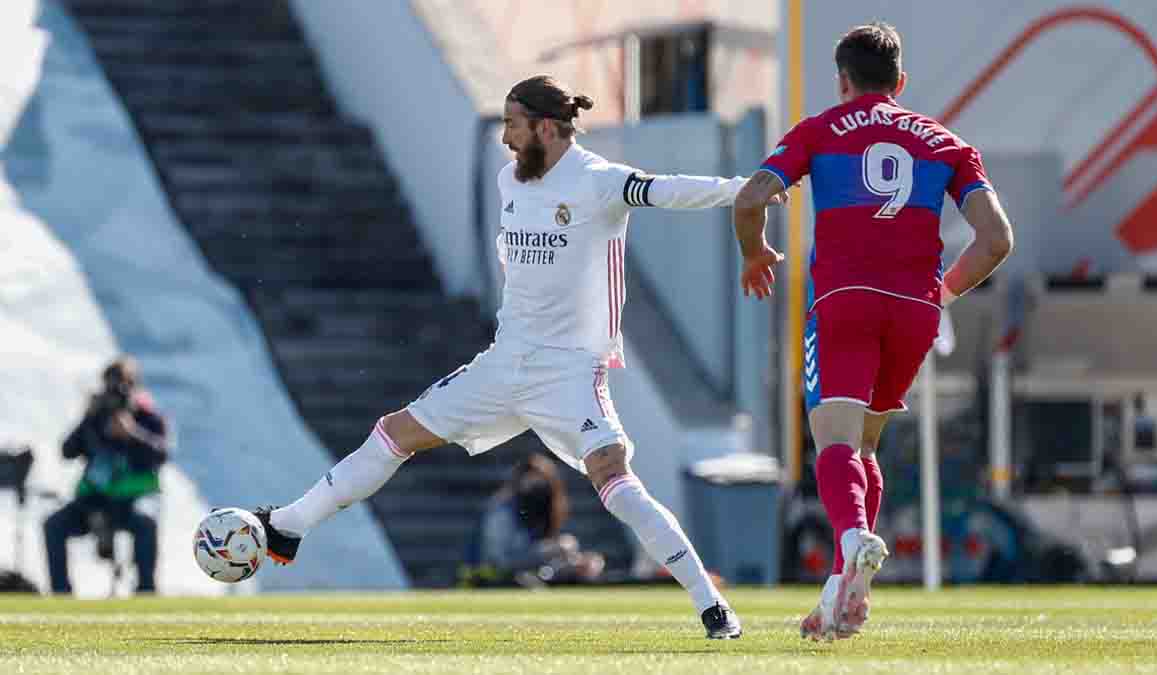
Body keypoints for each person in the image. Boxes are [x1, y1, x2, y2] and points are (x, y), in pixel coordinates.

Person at [252, 75, 786, 639]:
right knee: (394, 432)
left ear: (546, 127)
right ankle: (288, 525)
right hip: (504, 365)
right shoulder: (511, 180)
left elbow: (668, 189)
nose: (505, 136)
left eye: (512, 123)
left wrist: (742, 189)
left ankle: (713, 605)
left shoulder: (599, 181)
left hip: (572, 373)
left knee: (615, 480)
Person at [733, 22, 1014, 640]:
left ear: (842, 81)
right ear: (901, 82)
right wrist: (940, 294)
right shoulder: (946, 143)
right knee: (865, 446)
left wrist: (754, 254)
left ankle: (854, 537)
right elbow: (996, 240)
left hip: (843, 301)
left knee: (833, 439)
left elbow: (751, 197)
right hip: (915, 310)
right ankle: (840, 593)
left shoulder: (821, 130)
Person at [44, 356, 171, 594]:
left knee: (146, 522)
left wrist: (132, 434)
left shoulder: (148, 418)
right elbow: (67, 451)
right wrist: (88, 418)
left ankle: (146, 590)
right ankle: (60, 592)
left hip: (133, 501)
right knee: (54, 525)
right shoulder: (95, 418)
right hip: (94, 502)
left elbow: (162, 455)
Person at [463, 453, 605, 587]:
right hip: (493, 580)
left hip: (529, 574)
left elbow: (545, 564)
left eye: (542, 485)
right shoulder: (501, 513)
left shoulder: (544, 511)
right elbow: (498, 562)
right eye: (532, 484)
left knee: (587, 562)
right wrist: (548, 550)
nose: (537, 491)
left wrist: (576, 562)